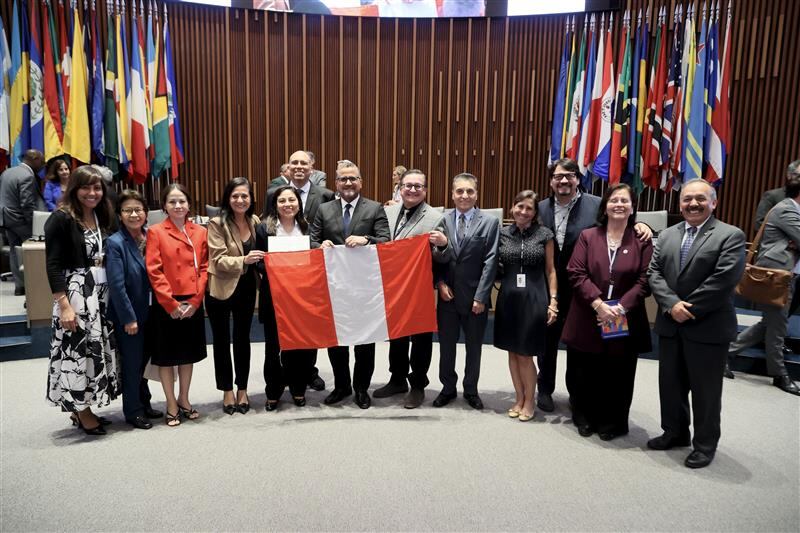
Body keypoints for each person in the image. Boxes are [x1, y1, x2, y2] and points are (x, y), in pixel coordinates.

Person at [536, 157, 651, 413]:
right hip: (548, 285)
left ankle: (577, 394)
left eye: (569, 175)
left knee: (579, 343)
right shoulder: (540, 207)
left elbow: (621, 225)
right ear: (551, 180)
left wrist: (643, 224)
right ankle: (544, 388)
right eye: (558, 176)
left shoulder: (596, 205)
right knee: (547, 340)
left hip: (586, 289)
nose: (563, 180)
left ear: (578, 178)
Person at [647, 178, 746, 469]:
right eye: (687, 199)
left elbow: (725, 278)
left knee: (705, 391)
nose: (693, 204)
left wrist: (686, 308)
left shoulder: (730, 235)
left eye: (700, 199)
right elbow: (654, 273)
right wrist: (670, 304)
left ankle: (704, 444)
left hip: (708, 327)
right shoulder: (667, 235)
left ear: (713, 202)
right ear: (680, 203)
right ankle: (675, 432)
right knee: (671, 385)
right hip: (670, 324)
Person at [561, 184, 653, 440]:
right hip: (588, 313)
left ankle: (612, 421)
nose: (619, 205)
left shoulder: (641, 239)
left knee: (618, 371)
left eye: (625, 201)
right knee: (584, 369)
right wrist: (599, 304)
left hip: (624, 316)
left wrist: (620, 307)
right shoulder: (589, 236)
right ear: (605, 206)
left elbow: (646, 280)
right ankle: (584, 416)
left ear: (632, 207)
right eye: (614, 200)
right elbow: (575, 272)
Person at [44, 165, 119, 436]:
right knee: (77, 353)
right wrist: (64, 305)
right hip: (76, 294)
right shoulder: (61, 219)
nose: (92, 193)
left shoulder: (103, 216)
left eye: (97, 188)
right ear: (75, 188)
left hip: (101, 294)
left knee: (95, 351)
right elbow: (52, 266)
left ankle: (85, 406)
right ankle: (81, 410)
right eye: (86, 187)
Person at [310, 160, 391, 409]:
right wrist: (319, 246)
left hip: (364, 288)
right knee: (337, 341)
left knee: (365, 342)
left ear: (360, 182)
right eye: (343, 179)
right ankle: (342, 386)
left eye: (352, 178)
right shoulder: (324, 210)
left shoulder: (375, 208)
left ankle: (361, 389)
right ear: (336, 183)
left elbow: (386, 242)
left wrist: (366, 239)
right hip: (334, 289)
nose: (348, 183)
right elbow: (311, 240)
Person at [372, 169, 450, 409]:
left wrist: (442, 246)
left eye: (418, 186)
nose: (413, 190)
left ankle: (417, 385)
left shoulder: (437, 217)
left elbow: (443, 258)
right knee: (396, 335)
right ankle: (397, 378)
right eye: (408, 185)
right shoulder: (387, 211)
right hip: (393, 285)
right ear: (400, 188)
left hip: (419, 288)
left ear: (425, 190)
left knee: (421, 337)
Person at [262, 149, 335, 391]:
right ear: (288, 168)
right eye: (294, 163)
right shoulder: (273, 194)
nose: (299, 167)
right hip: (279, 285)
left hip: (308, 279)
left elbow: (323, 233)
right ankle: (284, 375)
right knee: (278, 334)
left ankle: (309, 372)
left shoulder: (325, 195)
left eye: (304, 163)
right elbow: (267, 231)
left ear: (312, 167)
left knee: (307, 331)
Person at [727, 171, 800, 396]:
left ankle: (724, 354)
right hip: (776, 276)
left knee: (770, 323)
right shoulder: (787, 209)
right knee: (777, 326)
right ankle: (779, 374)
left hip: (787, 274)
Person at [433, 173, 500, 410]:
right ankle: (448, 388)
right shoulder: (441, 220)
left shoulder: (490, 222)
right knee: (446, 347)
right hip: (447, 296)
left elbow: (491, 261)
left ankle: (471, 389)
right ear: (452, 194)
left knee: (474, 347)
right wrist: (440, 284)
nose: (464, 196)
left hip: (475, 299)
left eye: (469, 191)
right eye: (459, 191)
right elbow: (435, 259)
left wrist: (482, 297)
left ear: (476, 194)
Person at [146, 183, 209, 427]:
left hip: (192, 302)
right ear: (164, 206)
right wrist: (170, 304)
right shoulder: (156, 232)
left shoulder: (200, 232)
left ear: (189, 204)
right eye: (172, 202)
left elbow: (204, 268)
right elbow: (154, 270)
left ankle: (184, 398)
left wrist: (195, 301)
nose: (178, 206)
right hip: (167, 304)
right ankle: (170, 402)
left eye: (182, 201)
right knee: (167, 357)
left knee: (186, 355)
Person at [493, 190, 557, 422]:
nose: (523, 211)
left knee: (525, 353)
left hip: (534, 298)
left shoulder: (544, 234)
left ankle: (530, 400)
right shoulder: (503, 233)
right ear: (512, 207)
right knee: (512, 351)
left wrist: (554, 301)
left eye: (529, 208)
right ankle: (519, 398)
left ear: (535, 212)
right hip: (509, 298)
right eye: (519, 206)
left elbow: (551, 270)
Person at [255, 185, 317, 411]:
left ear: (299, 204)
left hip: (301, 298)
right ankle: (273, 391)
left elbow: (315, 257)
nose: (288, 204)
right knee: (273, 347)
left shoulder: (307, 228)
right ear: (275, 205)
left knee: (298, 345)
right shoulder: (264, 229)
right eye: (282, 201)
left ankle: (298, 388)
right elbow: (259, 261)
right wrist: (276, 264)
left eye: (292, 200)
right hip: (275, 297)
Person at [106, 190, 164, 430]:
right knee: (132, 364)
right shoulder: (115, 243)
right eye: (128, 210)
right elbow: (117, 287)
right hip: (130, 316)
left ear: (146, 213)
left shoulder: (152, 236)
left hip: (152, 313)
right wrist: (128, 319)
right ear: (120, 215)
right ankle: (133, 410)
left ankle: (145, 402)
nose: (134, 214)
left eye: (138, 209)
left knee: (144, 362)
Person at [206, 177, 263, 415]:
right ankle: (226, 390)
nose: (240, 200)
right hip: (220, 288)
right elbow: (217, 260)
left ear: (251, 199)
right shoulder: (217, 223)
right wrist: (244, 260)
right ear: (228, 199)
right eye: (235, 196)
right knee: (221, 341)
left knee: (242, 339)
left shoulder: (255, 221)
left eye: (245, 196)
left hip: (247, 287)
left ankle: (242, 388)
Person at [0, 149, 46, 295]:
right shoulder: (27, 175)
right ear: (34, 159)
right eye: (42, 161)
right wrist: (35, 225)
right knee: (33, 252)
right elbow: (27, 204)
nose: (43, 165)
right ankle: (34, 287)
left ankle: (20, 286)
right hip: (21, 220)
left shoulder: (7, 172)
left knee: (14, 251)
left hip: (6, 219)